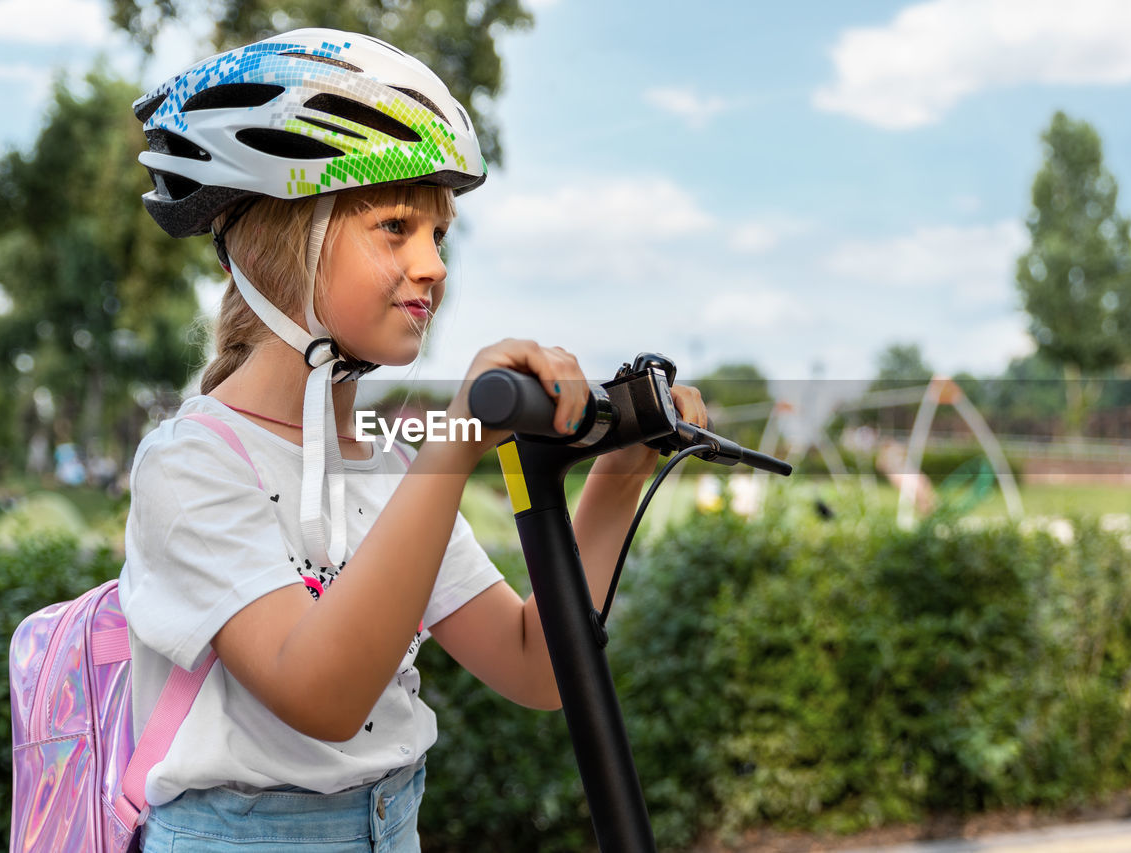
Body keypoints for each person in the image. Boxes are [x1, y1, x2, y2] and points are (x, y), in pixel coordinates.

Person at [119, 27, 707, 852]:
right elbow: (320, 691)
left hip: (393, 824)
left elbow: (538, 663)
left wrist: (615, 476)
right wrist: (457, 441)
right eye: (395, 226)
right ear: (283, 243)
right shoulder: (194, 465)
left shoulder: (388, 471)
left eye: (438, 236)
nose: (432, 264)